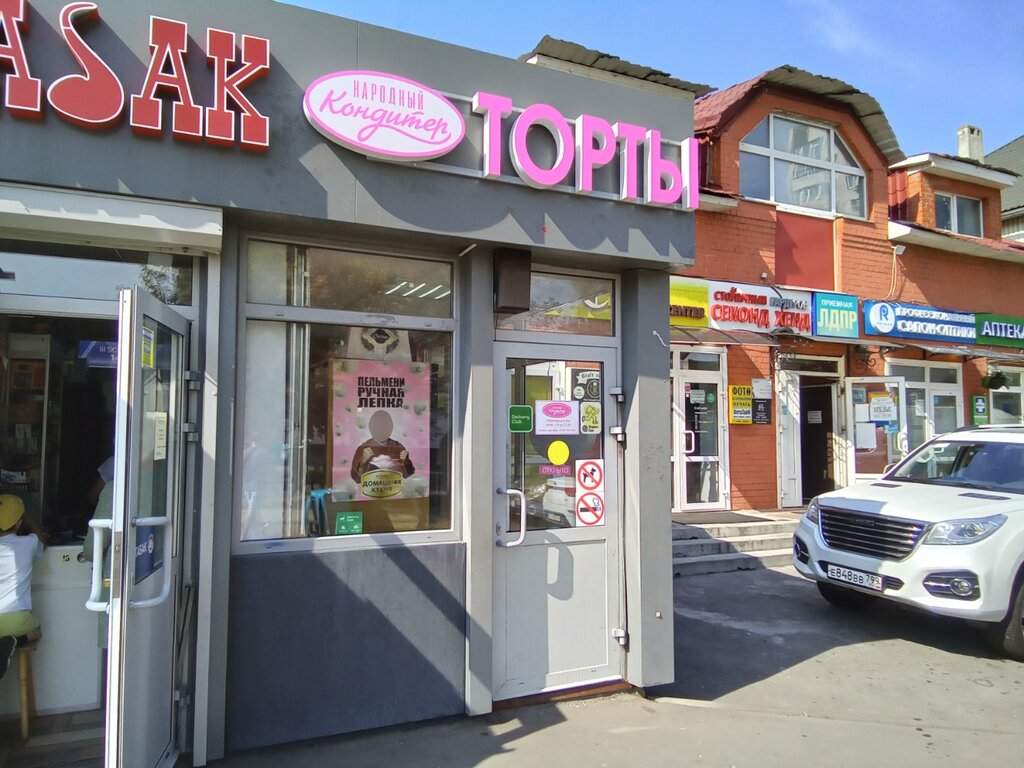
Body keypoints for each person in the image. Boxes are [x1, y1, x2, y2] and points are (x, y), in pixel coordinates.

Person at [0, 494, 45, 680]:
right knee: (37, 631)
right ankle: (14, 641)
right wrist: (29, 523)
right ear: (19, 523)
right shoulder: (29, 542)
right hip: (16, 620)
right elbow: (42, 545)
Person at [349, 410, 415, 483]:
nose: (382, 429)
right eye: (378, 425)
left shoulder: (398, 447)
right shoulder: (363, 448)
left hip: (393, 487)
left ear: (391, 427)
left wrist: (406, 461)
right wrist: (363, 461)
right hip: (371, 488)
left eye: (385, 425)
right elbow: (357, 479)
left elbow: (408, 476)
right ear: (371, 427)